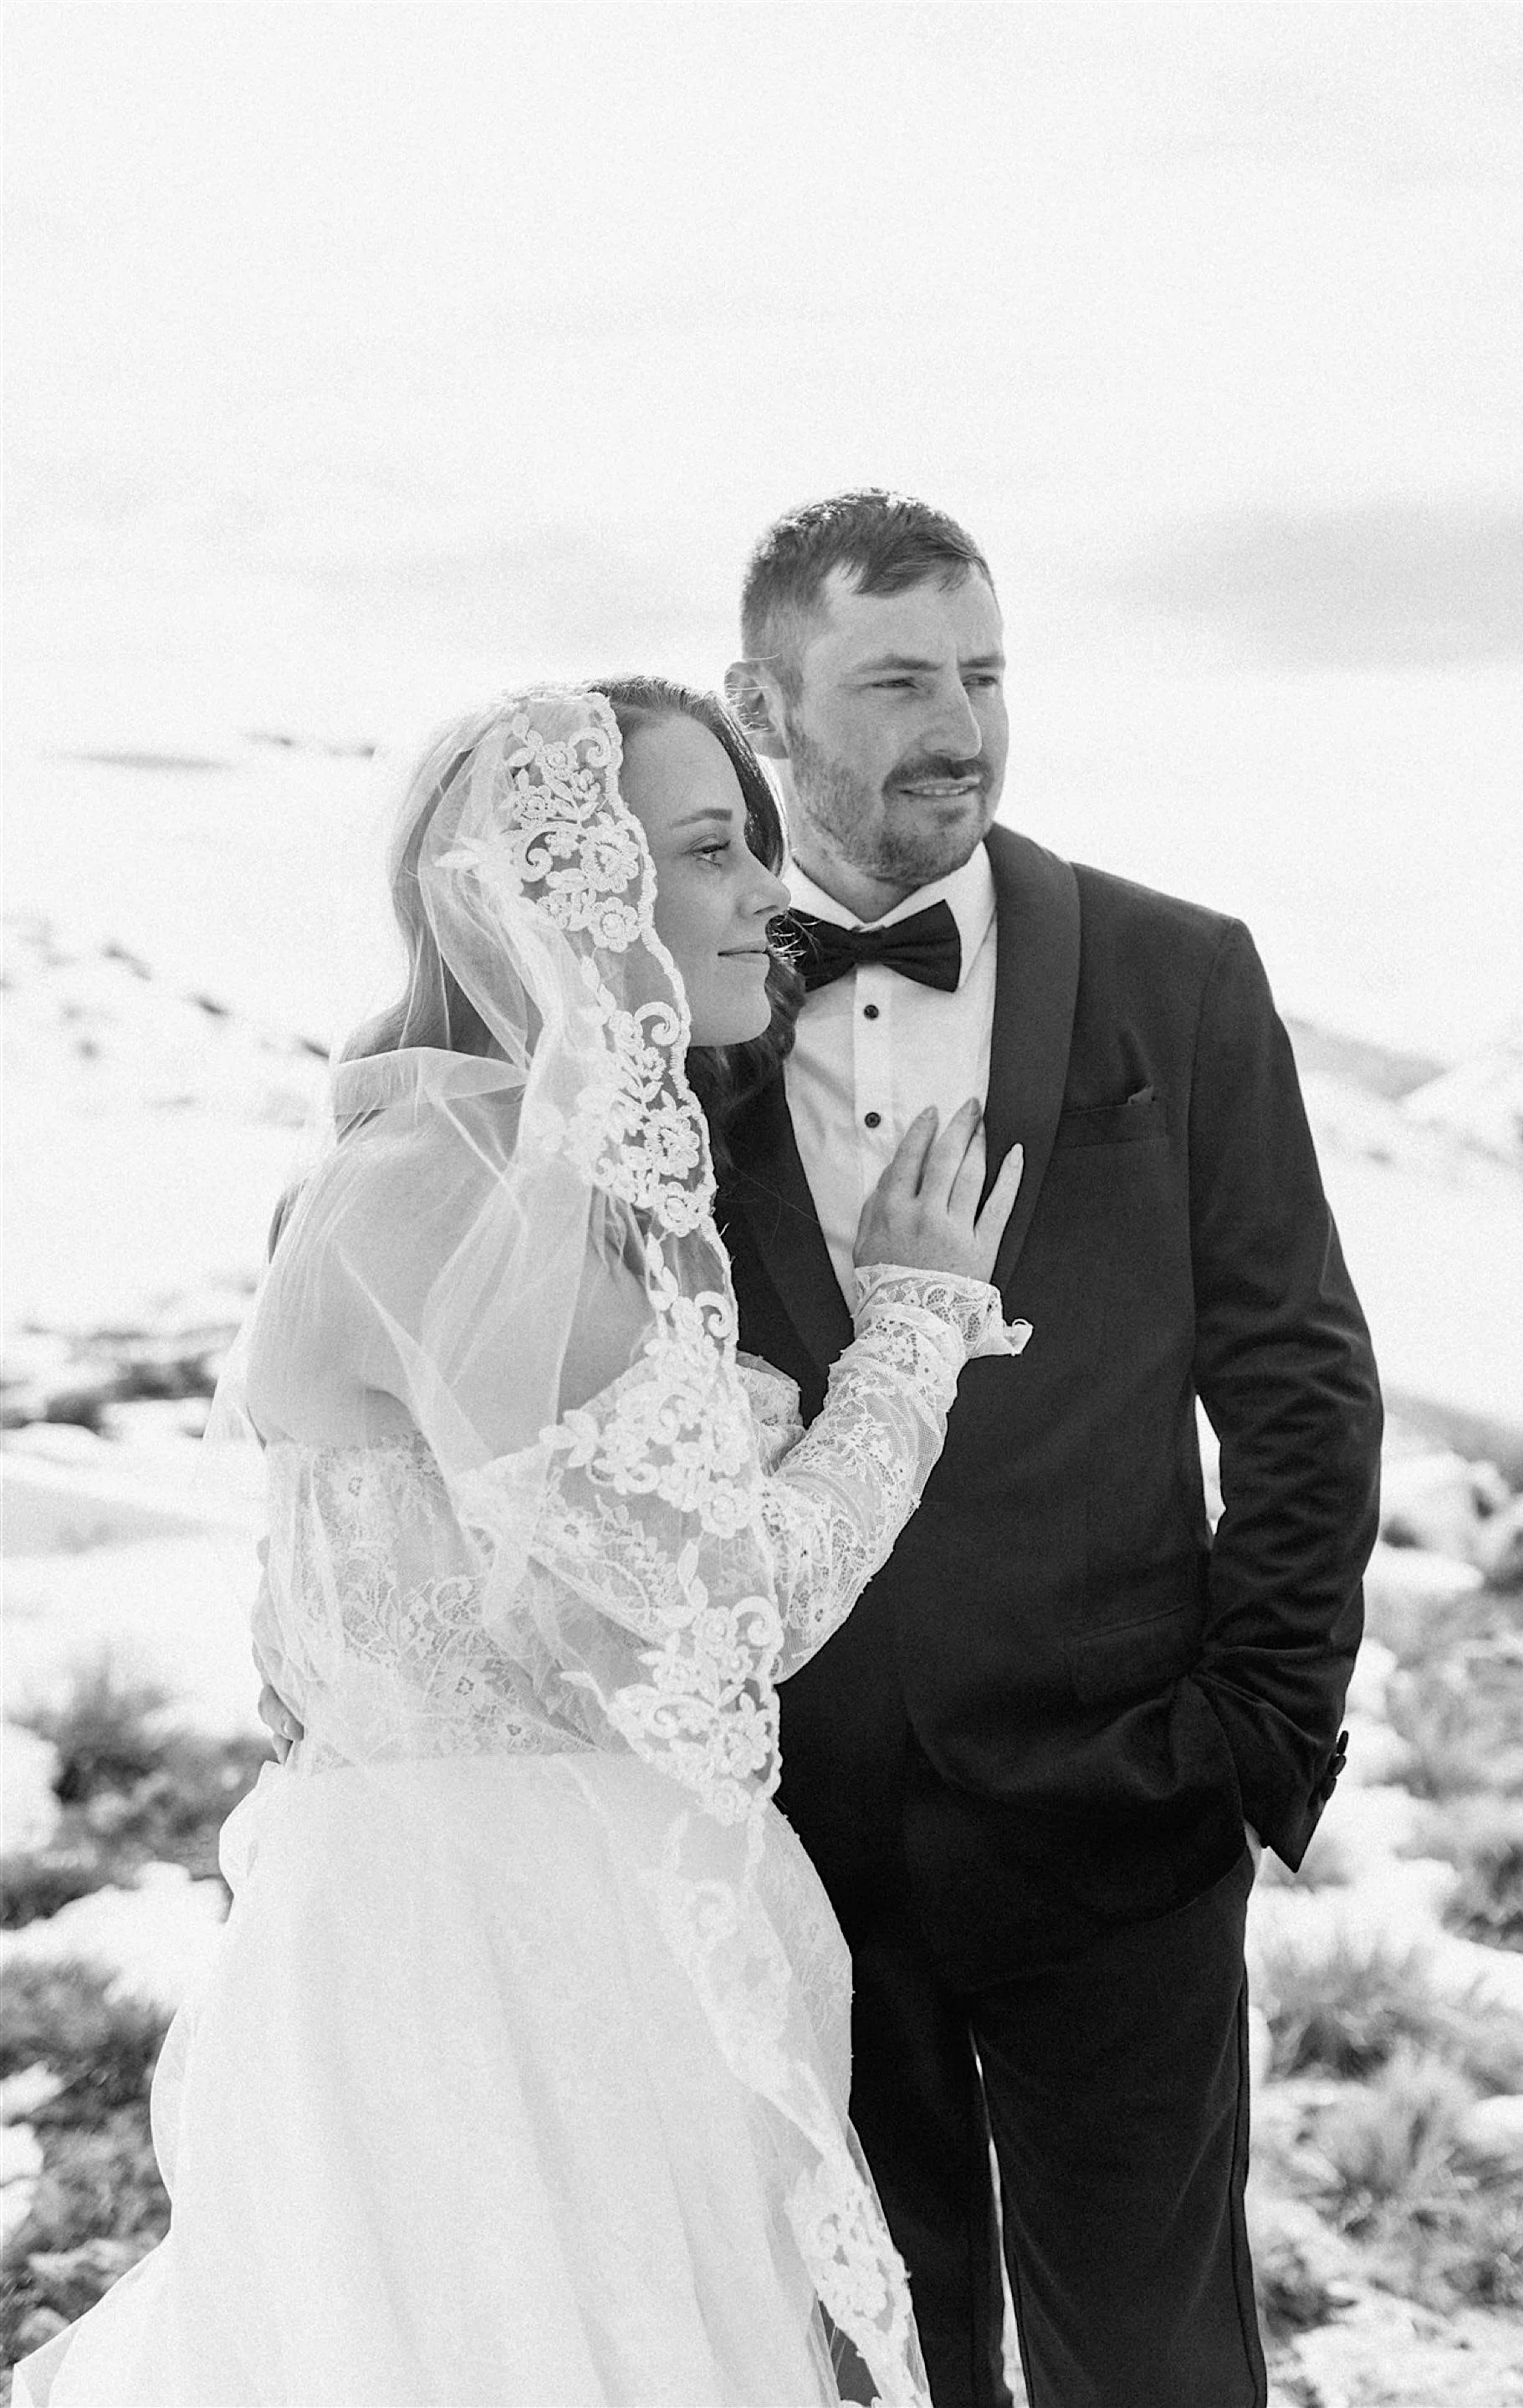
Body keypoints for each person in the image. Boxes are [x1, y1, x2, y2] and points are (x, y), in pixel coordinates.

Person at [15, 677, 1029, 2408]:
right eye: (710, 850)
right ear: (563, 891)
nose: (765, 896)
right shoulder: (469, 1200)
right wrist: (911, 1339)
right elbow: (734, 1613)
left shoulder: (450, 1165)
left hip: (499, 1917)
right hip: (505, 1967)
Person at [709, 491, 1385, 2408]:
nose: (961, 723)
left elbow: (1301, 1380)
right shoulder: (680, 1014)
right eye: (899, 677)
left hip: (1123, 1814)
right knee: (871, 2362)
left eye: (985, 672)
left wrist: (1253, 1732)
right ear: (769, 702)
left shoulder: (1183, 973)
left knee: (1160, 2364)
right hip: (796, 1835)